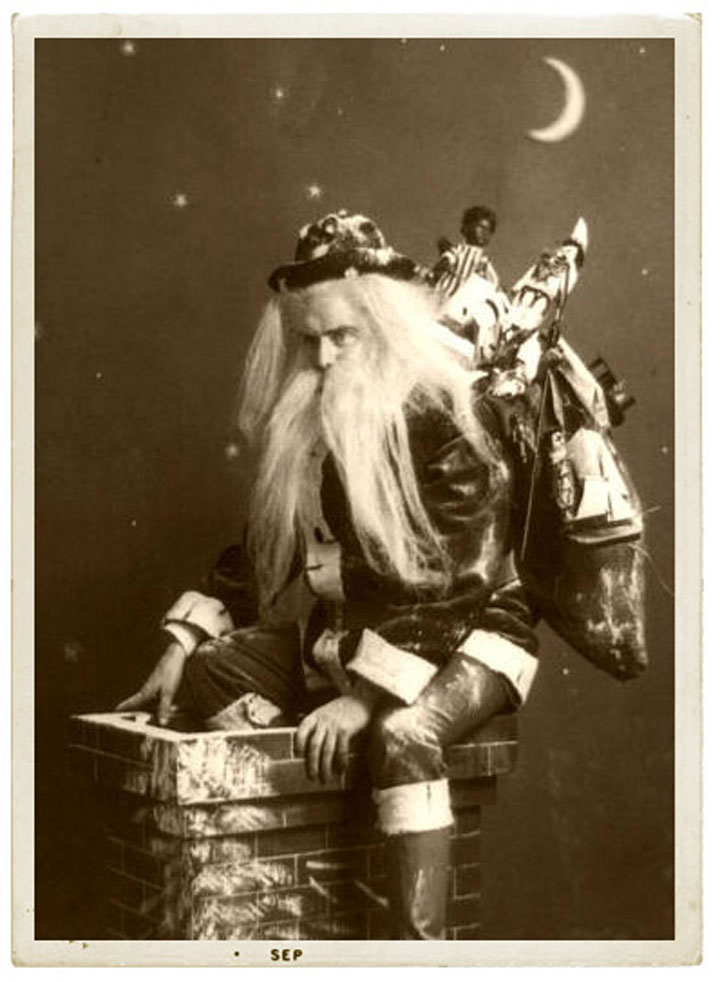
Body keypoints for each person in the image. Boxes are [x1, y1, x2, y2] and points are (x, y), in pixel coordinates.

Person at [118, 210, 539, 939]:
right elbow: (265, 547)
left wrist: (364, 700)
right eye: (309, 339)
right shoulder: (314, 413)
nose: (323, 358)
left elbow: (460, 579)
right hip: (354, 638)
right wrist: (182, 643)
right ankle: (318, 831)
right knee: (211, 674)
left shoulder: (445, 412)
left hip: (469, 636)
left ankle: (418, 953)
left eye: (343, 335)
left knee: (403, 736)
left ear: (385, 326)